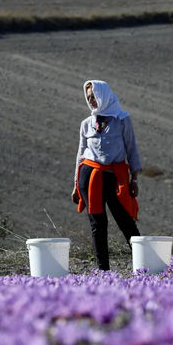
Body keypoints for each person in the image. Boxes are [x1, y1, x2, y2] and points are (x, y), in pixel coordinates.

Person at [71, 80, 143, 271]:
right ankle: (103, 269)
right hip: (90, 176)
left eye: (94, 96)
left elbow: (131, 149)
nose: (92, 101)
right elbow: (81, 154)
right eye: (89, 98)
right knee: (97, 223)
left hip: (114, 177)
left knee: (125, 220)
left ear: (103, 95)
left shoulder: (122, 120)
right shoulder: (86, 124)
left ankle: (145, 263)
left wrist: (134, 179)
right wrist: (76, 184)